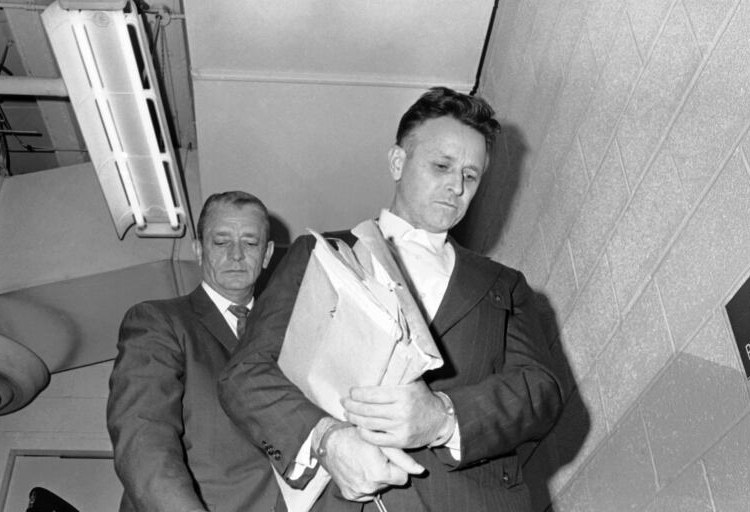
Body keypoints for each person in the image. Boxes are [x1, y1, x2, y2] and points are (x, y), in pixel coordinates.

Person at [218, 87, 564, 511]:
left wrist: (443, 418)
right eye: (442, 165)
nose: (456, 186)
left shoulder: (504, 284)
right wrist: (328, 440)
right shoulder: (320, 254)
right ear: (398, 162)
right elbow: (246, 376)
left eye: (471, 176)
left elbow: (540, 391)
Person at [107, 191, 279, 512]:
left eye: (251, 243)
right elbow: (145, 438)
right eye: (221, 241)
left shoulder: (288, 338)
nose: (237, 255)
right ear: (199, 250)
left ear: (267, 254)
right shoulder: (159, 321)